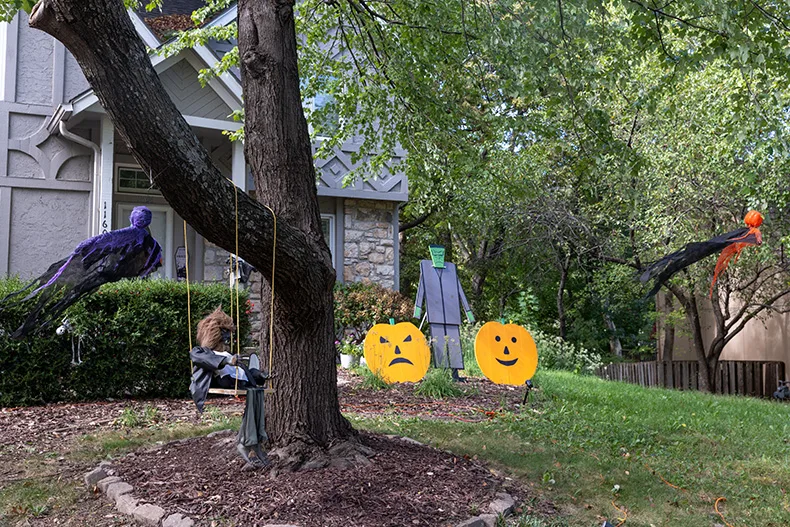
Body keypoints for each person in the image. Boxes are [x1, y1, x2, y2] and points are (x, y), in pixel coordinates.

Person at [189, 307, 270, 413]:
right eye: (224, 332)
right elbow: (200, 359)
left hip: (243, 384)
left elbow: (246, 373)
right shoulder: (204, 352)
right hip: (226, 381)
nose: (228, 336)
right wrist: (226, 361)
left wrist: (261, 375)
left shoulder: (229, 354)